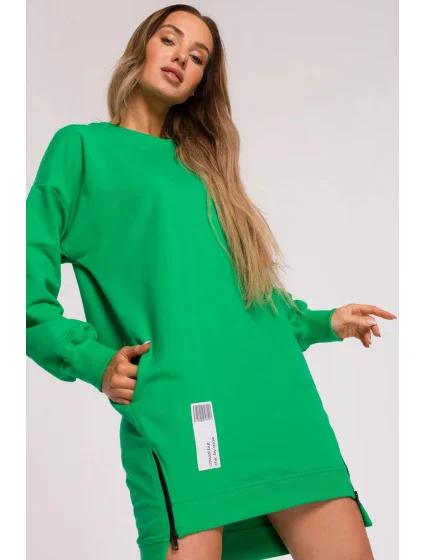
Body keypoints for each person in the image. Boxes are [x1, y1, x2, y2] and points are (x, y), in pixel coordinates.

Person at [26, 5, 396, 560]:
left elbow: (241, 291)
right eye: (170, 39)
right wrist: (91, 359)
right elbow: (22, 287)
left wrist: (325, 322)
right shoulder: (81, 149)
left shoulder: (205, 167)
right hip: (184, 407)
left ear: (201, 82)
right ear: (142, 46)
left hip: (279, 400)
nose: (181, 57)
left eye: (197, 56)